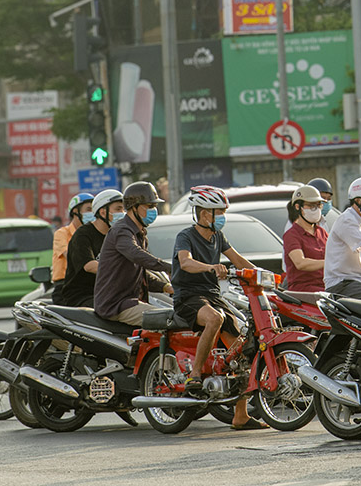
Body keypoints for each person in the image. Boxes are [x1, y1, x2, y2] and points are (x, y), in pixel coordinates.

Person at [172, 185, 263, 430]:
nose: (222, 216)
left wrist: (265, 275)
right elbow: (186, 263)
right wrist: (211, 267)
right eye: (219, 212)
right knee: (214, 319)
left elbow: (238, 259)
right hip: (188, 297)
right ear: (205, 214)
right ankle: (195, 375)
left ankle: (240, 415)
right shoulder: (186, 236)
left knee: (245, 347)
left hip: (212, 295)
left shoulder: (218, 237)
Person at [94, 182, 173, 326]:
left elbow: (140, 275)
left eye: (155, 206)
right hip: (116, 305)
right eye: (149, 206)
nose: (154, 210)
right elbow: (136, 254)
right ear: (134, 207)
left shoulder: (139, 233)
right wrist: (168, 267)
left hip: (130, 302)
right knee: (166, 320)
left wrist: (165, 287)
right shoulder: (122, 231)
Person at [59, 188, 122, 307]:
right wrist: (121, 272)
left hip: (109, 293)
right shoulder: (82, 235)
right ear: (103, 212)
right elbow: (90, 266)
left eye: (123, 209)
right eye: (118, 209)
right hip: (83, 296)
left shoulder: (116, 235)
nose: (122, 213)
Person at [283, 185, 328, 292]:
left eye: (318, 205)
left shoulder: (322, 232)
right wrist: (329, 262)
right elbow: (300, 263)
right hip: (304, 291)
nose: (316, 209)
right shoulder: (291, 235)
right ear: (298, 207)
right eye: (311, 205)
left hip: (326, 287)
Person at [51, 192, 93, 301]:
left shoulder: (93, 234)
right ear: (75, 212)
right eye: (88, 209)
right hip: (64, 287)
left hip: (89, 286)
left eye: (94, 210)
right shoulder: (62, 233)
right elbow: (70, 255)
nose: (92, 213)